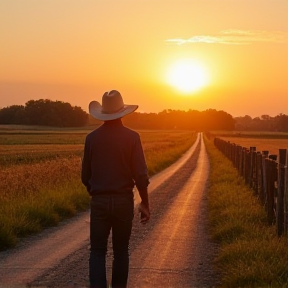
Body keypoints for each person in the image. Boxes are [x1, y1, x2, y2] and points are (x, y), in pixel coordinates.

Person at [81, 90, 150, 288]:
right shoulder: (132, 137)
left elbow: (85, 176)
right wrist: (145, 203)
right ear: (122, 112)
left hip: (99, 200)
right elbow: (141, 177)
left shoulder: (91, 138)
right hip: (123, 201)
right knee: (121, 251)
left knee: (97, 251)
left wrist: (97, 193)